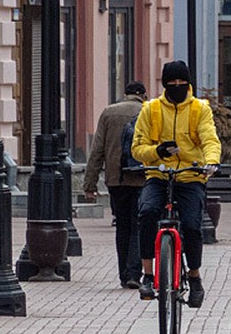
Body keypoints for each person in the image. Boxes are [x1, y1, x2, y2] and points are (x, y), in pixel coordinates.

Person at [131, 61, 221, 308]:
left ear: (189, 83)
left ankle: (194, 278)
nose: (178, 87)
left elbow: (209, 139)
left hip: (191, 175)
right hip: (158, 174)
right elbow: (137, 148)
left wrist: (211, 162)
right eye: (172, 84)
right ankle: (148, 275)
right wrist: (156, 151)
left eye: (183, 83)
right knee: (147, 212)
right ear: (164, 85)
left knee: (192, 226)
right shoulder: (150, 110)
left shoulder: (199, 109)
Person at [83, 81, 147, 289]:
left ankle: (123, 274)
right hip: (143, 178)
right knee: (139, 224)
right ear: (143, 95)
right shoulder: (149, 111)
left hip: (116, 179)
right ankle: (135, 273)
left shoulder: (109, 113)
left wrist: (90, 183)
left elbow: (97, 151)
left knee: (122, 225)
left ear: (125, 94)